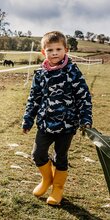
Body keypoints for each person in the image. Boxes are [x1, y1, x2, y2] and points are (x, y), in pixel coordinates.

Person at [22, 31, 92, 205]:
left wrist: (85, 119)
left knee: (60, 157)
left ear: (66, 50)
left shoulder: (72, 71)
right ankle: (47, 180)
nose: (54, 53)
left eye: (58, 49)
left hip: (67, 125)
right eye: (50, 49)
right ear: (43, 52)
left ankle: (58, 188)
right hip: (45, 124)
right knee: (38, 154)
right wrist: (28, 119)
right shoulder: (40, 74)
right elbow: (34, 98)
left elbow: (83, 96)